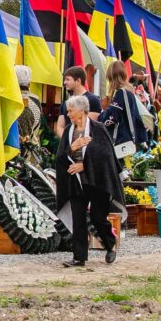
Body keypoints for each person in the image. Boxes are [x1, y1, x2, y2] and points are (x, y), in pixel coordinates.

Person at [55, 94, 124, 268]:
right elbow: (60, 157)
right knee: (78, 218)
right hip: (76, 182)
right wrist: (73, 147)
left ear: (81, 111)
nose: (68, 114)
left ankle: (110, 245)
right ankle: (79, 257)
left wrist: (84, 165)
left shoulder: (98, 129)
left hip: (97, 181)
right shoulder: (69, 132)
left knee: (97, 217)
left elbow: (106, 156)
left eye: (70, 111)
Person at [99, 61, 148, 158]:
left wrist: (100, 116)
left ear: (112, 77)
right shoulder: (129, 92)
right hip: (130, 139)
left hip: (122, 140)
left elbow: (111, 118)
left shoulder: (121, 93)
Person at [56, 66, 101, 136]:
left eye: (68, 79)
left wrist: (76, 141)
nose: (65, 82)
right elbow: (60, 126)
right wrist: (67, 141)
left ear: (78, 81)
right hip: (69, 145)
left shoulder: (93, 100)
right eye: (65, 80)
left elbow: (89, 126)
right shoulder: (65, 103)